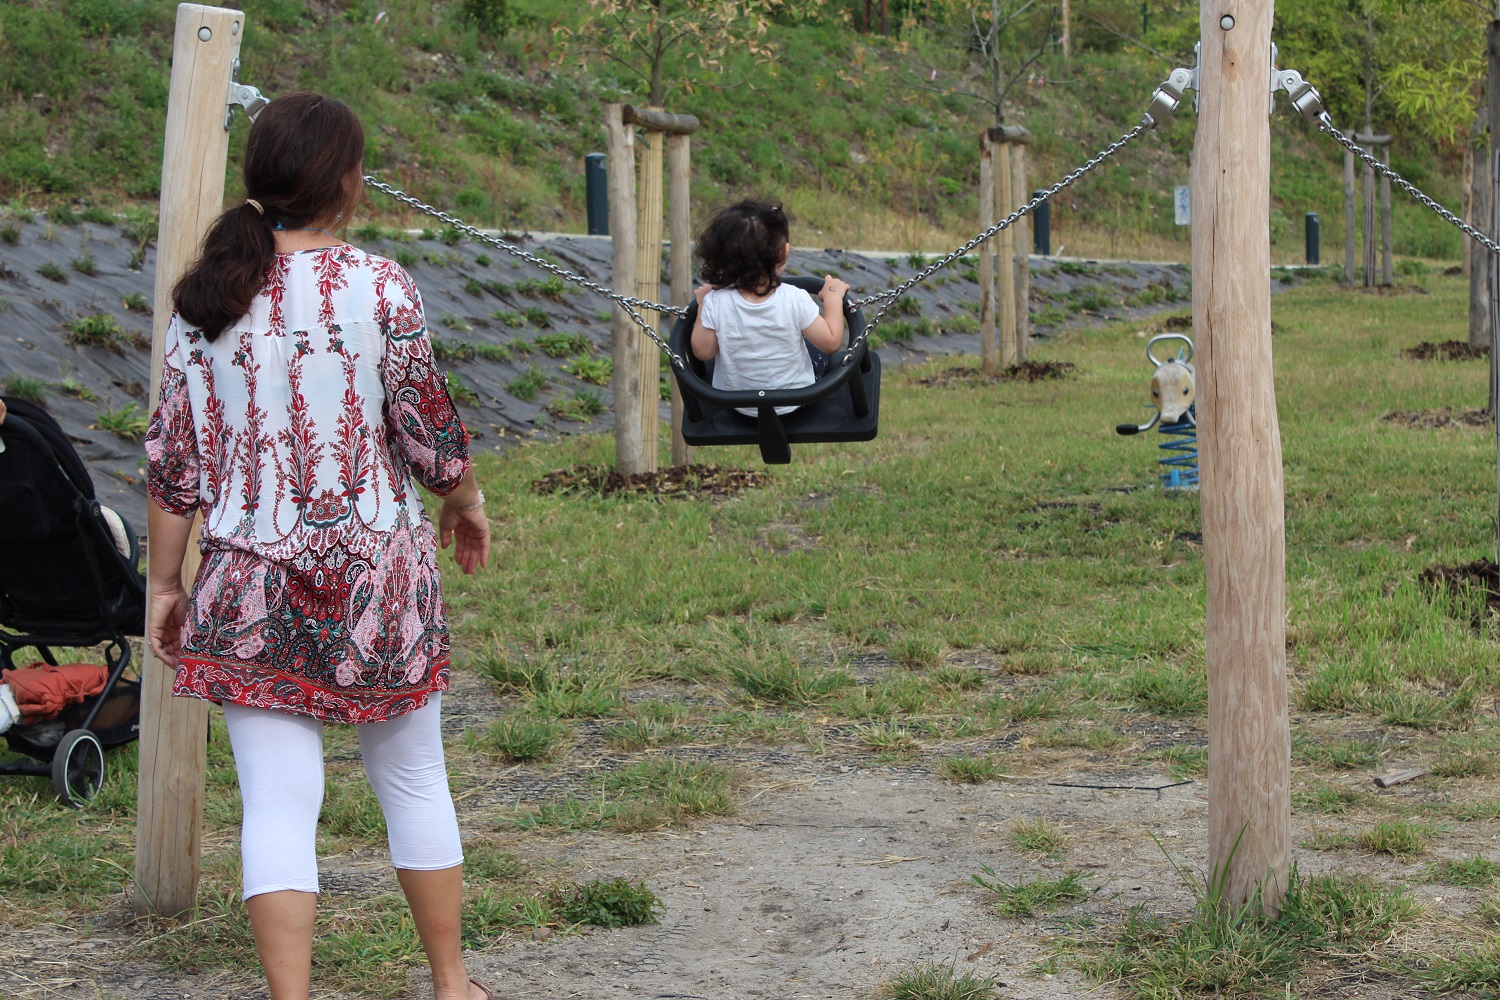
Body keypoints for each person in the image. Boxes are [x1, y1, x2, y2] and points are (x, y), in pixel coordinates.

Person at [143, 92, 492, 1000]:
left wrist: (165, 584)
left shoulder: (204, 299)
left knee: (277, 804)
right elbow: (430, 434)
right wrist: (465, 501)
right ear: (347, 182)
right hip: (379, 576)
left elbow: (175, 465)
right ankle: (452, 984)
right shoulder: (383, 286)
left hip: (247, 577)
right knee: (414, 779)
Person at [690, 198, 850, 414]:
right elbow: (831, 342)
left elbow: (703, 351)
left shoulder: (716, 301)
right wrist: (833, 297)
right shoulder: (795, 299)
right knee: (813, 348)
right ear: (784, 252)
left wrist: (703, 305)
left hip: (737, 404)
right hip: (794, 401)